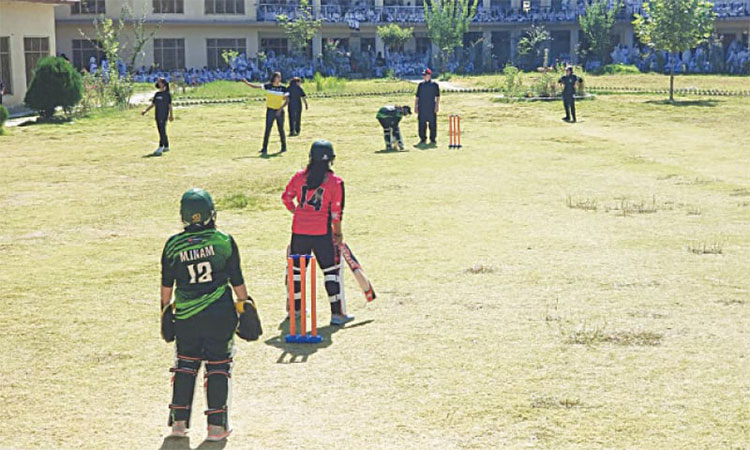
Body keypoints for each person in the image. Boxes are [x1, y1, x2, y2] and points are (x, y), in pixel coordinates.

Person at [160, 188, 259, 442]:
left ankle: (178, 425)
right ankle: (216, 427)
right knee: (218, 367)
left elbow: (166, 288)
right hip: (220, 315)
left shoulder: (173, 246)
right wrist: (245, 305)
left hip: (186, 317)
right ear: (210, 213)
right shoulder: (223, 241)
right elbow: (237, 281)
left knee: (185, 366)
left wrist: (165, 314)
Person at [281, 140, 353, 326]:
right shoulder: (335, 182)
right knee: (330, 272)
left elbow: (287, 198)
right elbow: (336, 214)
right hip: (322, 233)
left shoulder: (299, 177)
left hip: (299, 232)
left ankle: (295, 311)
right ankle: (337, 314)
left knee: (297, 272)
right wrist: (338, 235)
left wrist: (298, 212)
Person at [242, 72, 288, 155]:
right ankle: (264, 148)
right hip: (270, 110)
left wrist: (280, 109)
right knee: (267, 129)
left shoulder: (283, 88)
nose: (279, 79)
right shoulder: (269, 86)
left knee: (281, 129)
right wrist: (247, 83)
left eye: (280, 77)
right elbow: (256, 86)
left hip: (279, 111)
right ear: (274, 78)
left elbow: (287, 100)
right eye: (278, 77)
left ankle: (284, 147)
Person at [141, 77, 173, 156]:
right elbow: (153, 104)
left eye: (160, 82)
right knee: (161, 130)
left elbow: (170, 105)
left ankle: (160, 147)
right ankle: (166, 145)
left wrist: (171, 115)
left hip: (164, 114)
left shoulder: (167, 95)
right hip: (157, 114)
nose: (158, 83)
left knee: (162, 130)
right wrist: (146, 110)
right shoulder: (157, 94)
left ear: (163, 84)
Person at [414, 68, 440, 145]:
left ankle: (432, 139)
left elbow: (437, 97)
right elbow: (417, 97)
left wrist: (437, 106)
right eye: (423, 75)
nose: (424, 77)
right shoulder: (421, 85)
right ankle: (422, 138)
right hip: (422, 107)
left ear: (429, 75)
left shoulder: (434, 85)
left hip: (431, 106)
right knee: (422, 124)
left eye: (425, 75)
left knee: (432, 124)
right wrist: (415, 106)